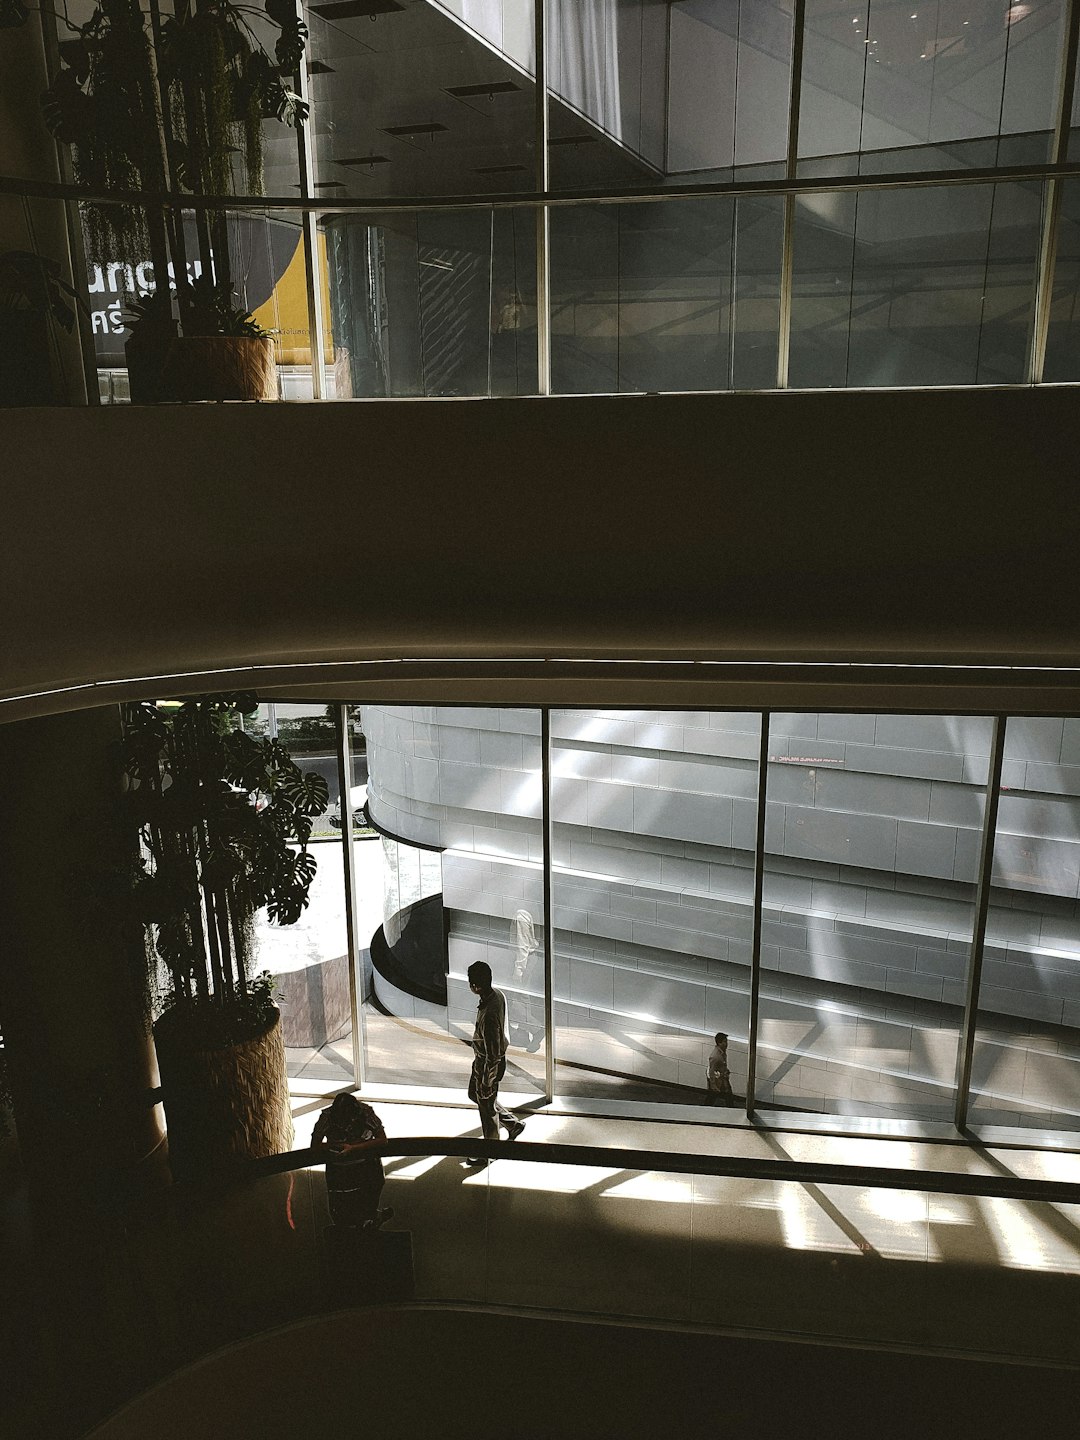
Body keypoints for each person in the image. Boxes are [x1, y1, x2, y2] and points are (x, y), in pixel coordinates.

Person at [464, 959, 525, 1168]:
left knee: (486, 1106)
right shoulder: (498, 995)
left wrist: (487, 1080)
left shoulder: (489, 1015)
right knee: (476, 1095)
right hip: (485, 1062)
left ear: (475, 986)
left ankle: (490, 1151)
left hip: (486, 1065)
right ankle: (512, 1124)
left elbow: (493, 1054)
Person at [312, 1092, 393, 1229]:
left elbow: (382, 1139)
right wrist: (337, 1146)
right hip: (340, 1168)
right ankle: (362, 1223)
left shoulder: (366, 1113)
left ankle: (369, 1219)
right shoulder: (327, 1117)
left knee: (366, 1197)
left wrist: (353, 1148)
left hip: (364, 1165)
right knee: (343, 1202)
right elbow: (315, 1146)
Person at [508, 908, 541, 1053]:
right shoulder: (527, 910)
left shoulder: (520, 914)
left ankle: (537, 1028)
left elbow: (522, 945)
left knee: (515, 1000)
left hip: (524, 959)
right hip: (530, 958)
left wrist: (518, 970)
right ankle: (522, 1034)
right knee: (523, 997)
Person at [706, 1032, 735, 1106]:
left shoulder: (722, 1052)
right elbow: (711, 1071)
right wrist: (713, 1085)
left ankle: (730, 1107)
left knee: (727, 1095)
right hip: (718, 1080)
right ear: (719, 1043)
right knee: (713, 1096)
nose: (726, 1044)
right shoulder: (715, 1056)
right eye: (725, 1042)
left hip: (722, 1078)